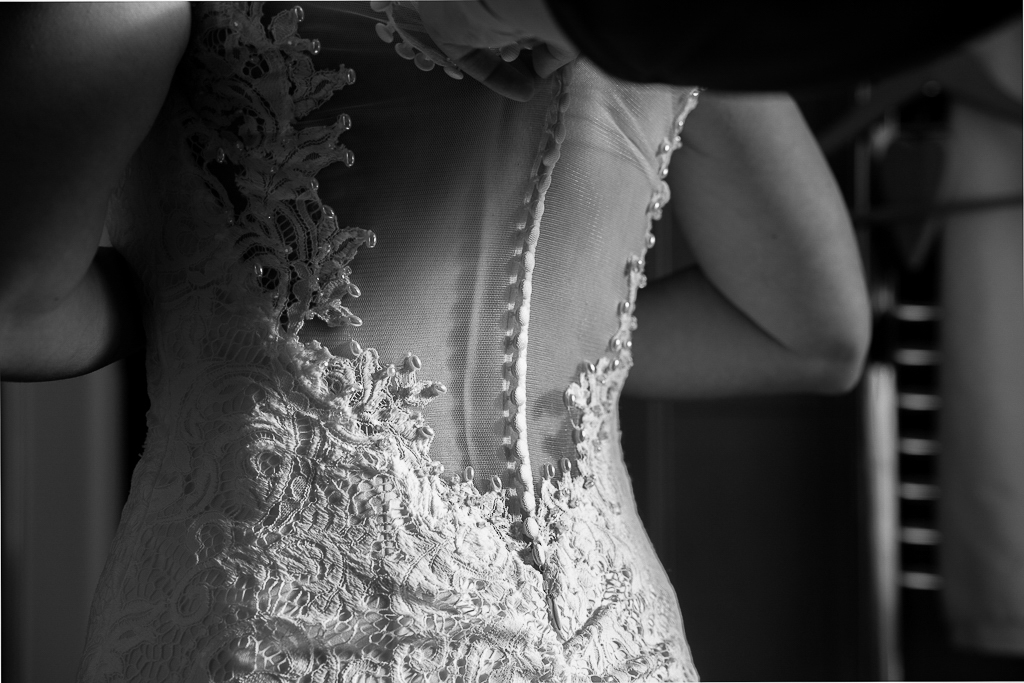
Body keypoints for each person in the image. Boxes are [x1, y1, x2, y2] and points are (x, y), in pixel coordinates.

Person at [0, 2, 869, 680]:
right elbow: (809, 332)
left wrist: (213, 311)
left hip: (289, 629)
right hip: (619, 644)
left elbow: (17, 309)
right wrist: (577, 359)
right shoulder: (675, 9)